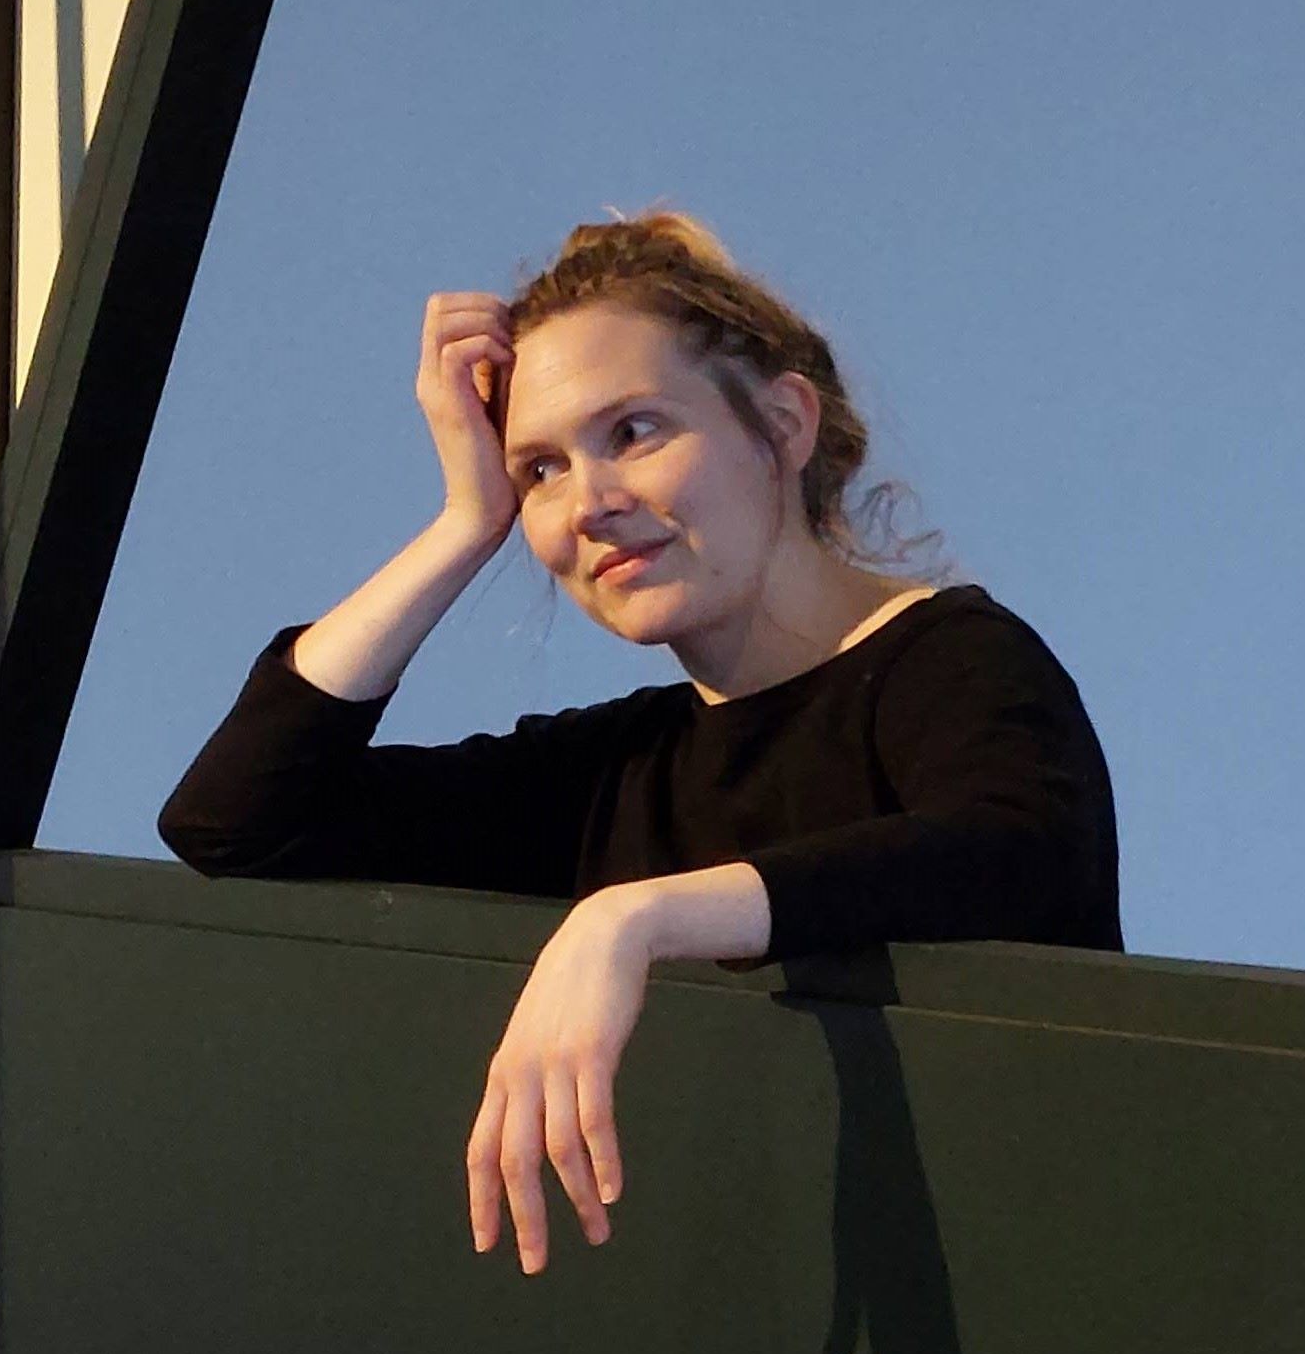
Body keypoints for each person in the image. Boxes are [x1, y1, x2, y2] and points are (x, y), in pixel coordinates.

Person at [160, 210, 1120, 1276]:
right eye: (541, 470)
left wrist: (637, 918)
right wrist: (464, 522)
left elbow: (1018, 855)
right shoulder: (613, 772)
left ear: (783, 423)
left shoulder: (952, 657)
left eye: (634, 432)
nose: (591, 504)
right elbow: (237, 820)